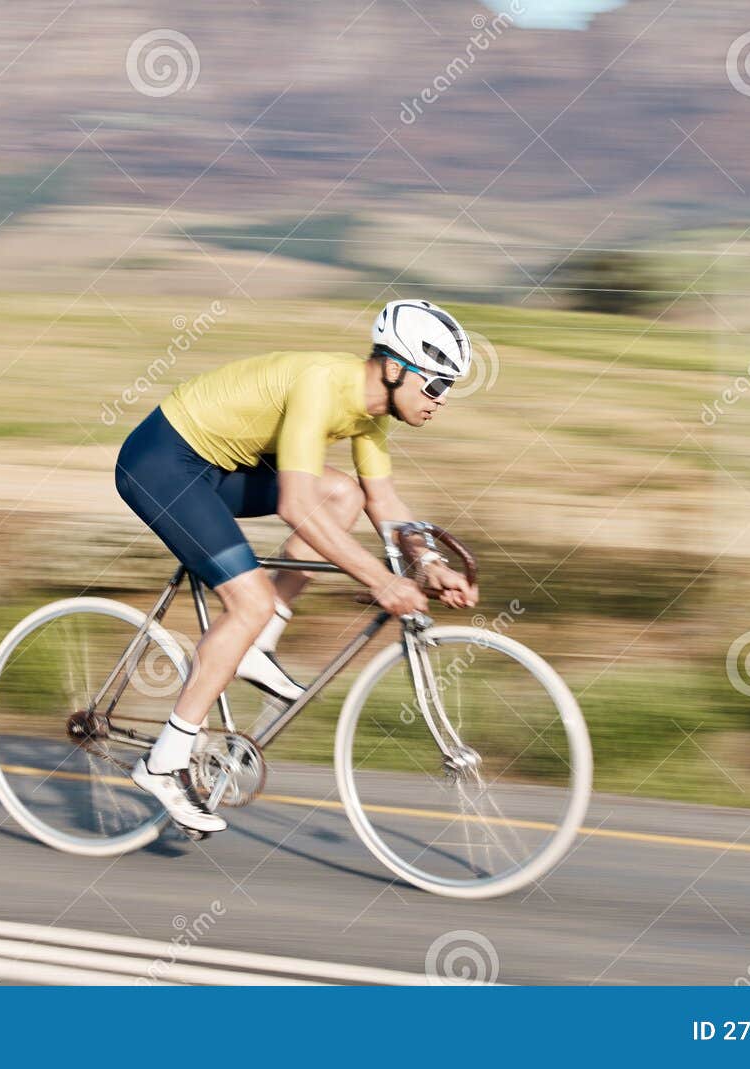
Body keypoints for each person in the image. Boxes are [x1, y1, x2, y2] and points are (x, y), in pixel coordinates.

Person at [114, 299, 480, 832]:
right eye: (437, 385)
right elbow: (294, 505)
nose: (440, 400)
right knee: (250, 599)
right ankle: (164, 762)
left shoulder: (371, 418)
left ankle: (259, 642)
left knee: (343, 495)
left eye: (448, 389)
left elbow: (385, 505)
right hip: (163, 463)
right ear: (396, 367)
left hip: (218, 465)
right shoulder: (321, 385)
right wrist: (381, 580)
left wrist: (429, 564)